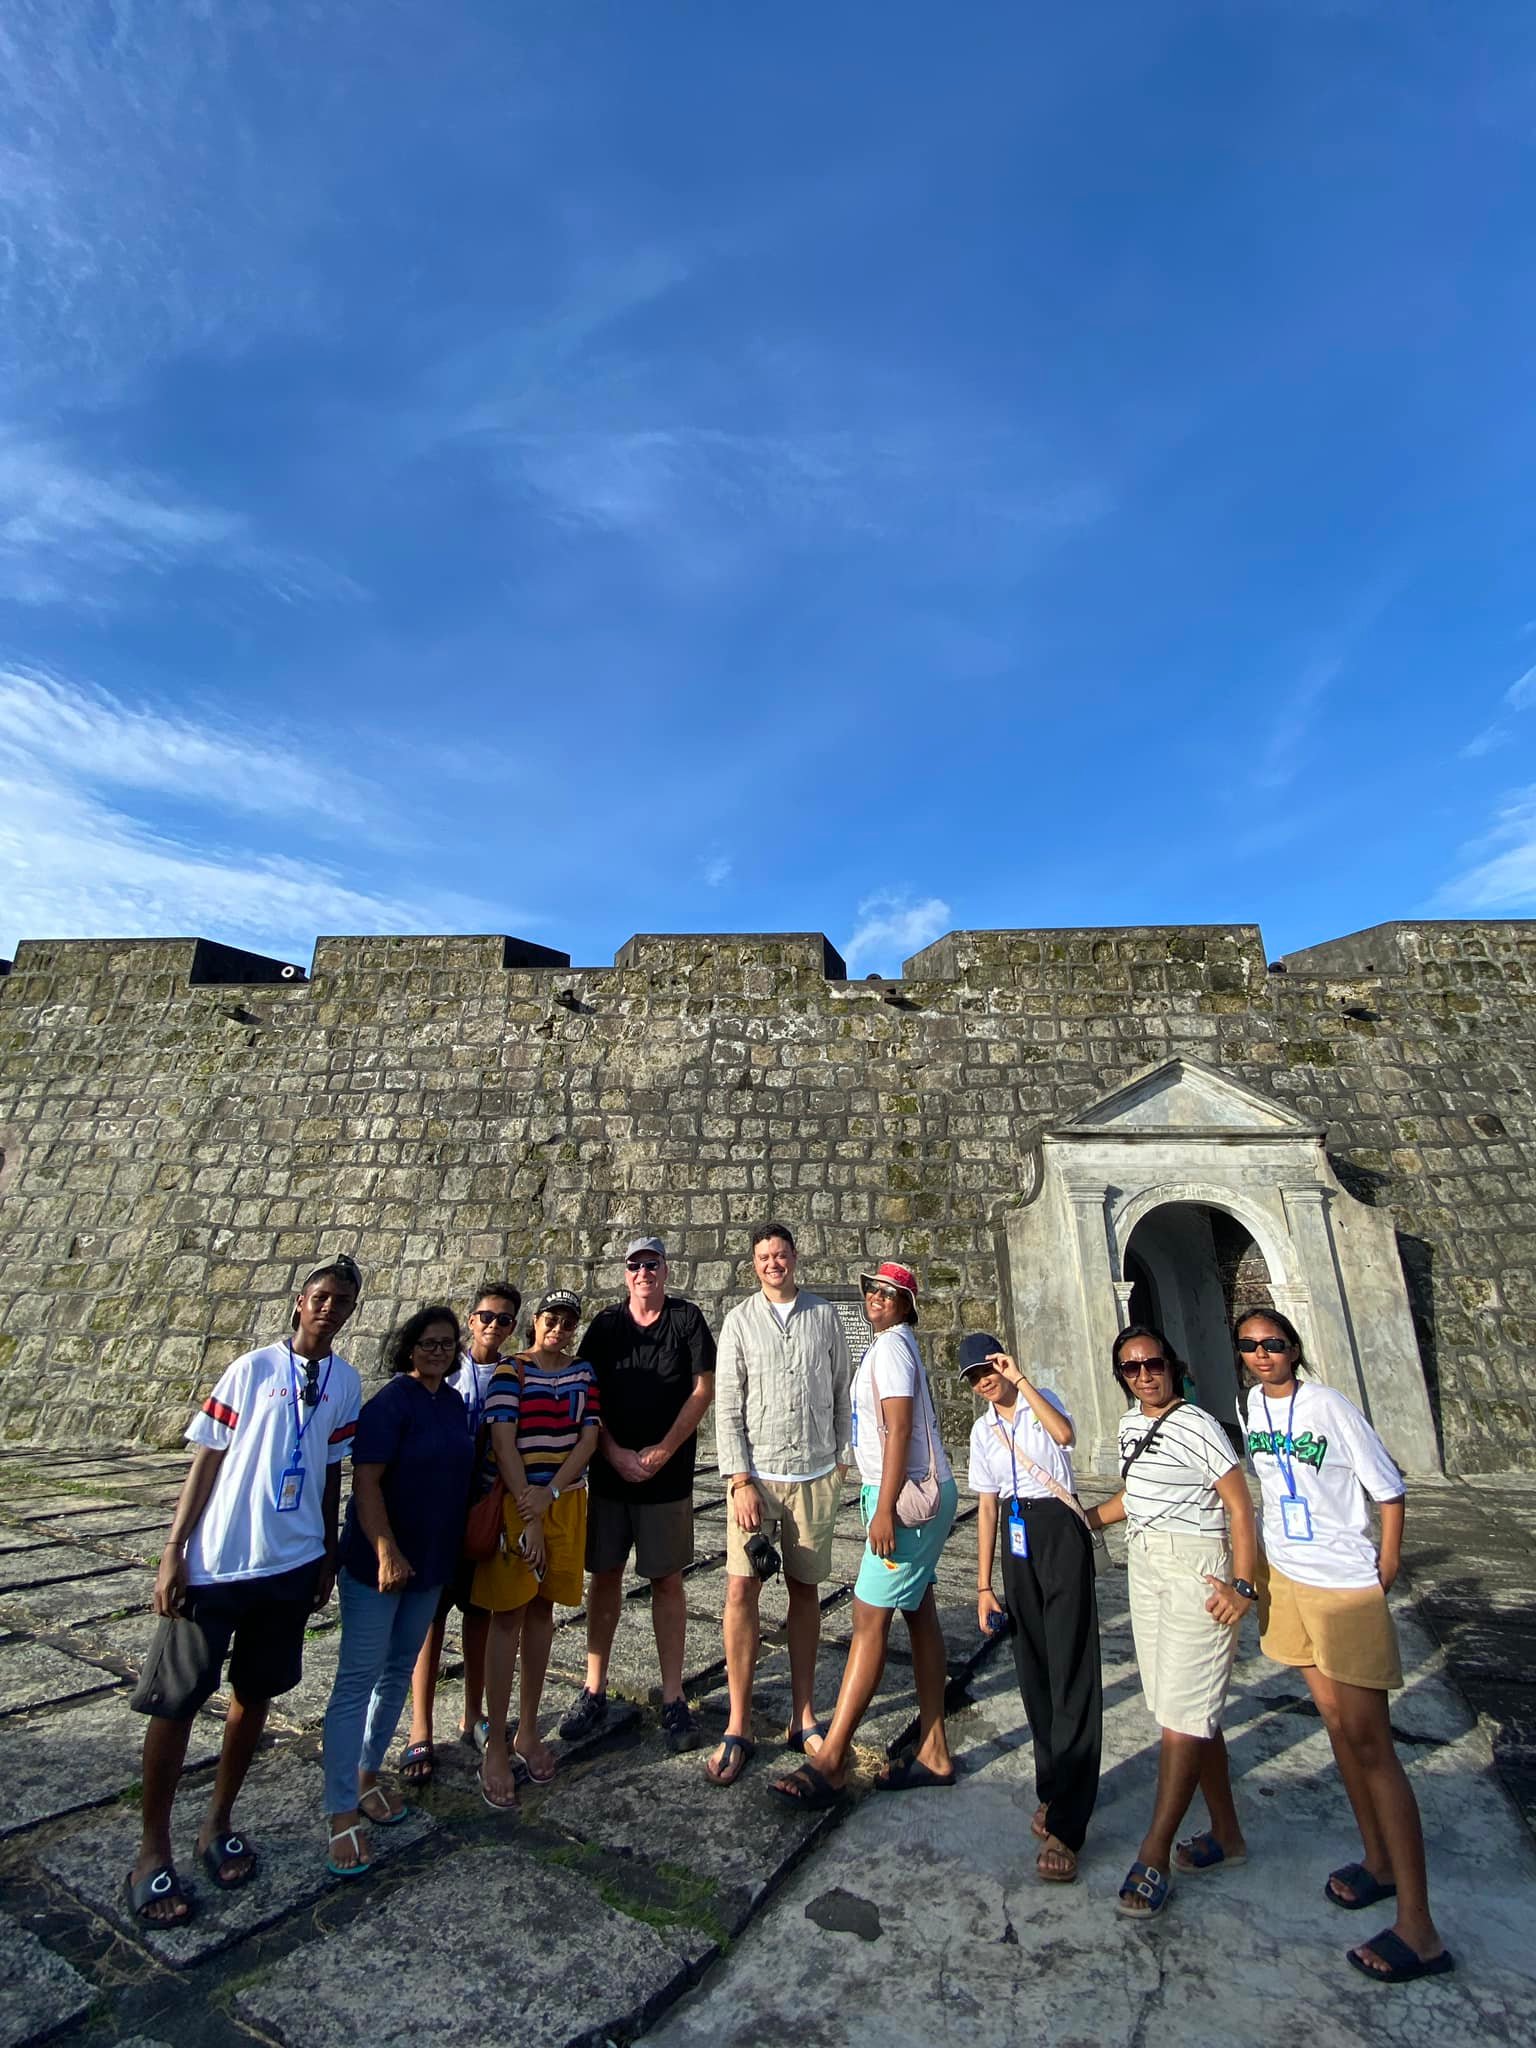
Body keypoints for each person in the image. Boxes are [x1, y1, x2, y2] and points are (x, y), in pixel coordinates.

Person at [125, 1256, 364, 1924]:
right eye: (321, 1296)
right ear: (299, 1301)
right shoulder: (252, 1369)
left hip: (291, 1565)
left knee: (254, 1695)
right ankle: (151, 1851)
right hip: (219, 1563)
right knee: (175, 1703)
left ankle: (218, 1822)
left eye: (342, 1301)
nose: (329, 1308)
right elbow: (206, 1460)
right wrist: (174, 1551)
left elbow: (330, 1472)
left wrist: (326, 1553)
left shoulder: (346, 1383)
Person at [1239, 1308, 1454, 1984]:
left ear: (1294, 1347)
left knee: (1372, 1744)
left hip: (1341, 1582)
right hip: (1288, 1577)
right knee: (1336, 1725)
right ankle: (1378, 1861)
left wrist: (1385, 1565)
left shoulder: (1329, 1405)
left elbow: (1388, 1488)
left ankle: (1420, 1928)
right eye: (1249, 1346)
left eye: (1273, 1344)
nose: (1261, 1355)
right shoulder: (1252, 1406)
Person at [1085, 1325, 1257, 1919]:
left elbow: (1240, 1506)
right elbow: (1134, 1497)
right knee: (1184, 1709)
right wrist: (1083, 1519)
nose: (1144, 1375)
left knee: (1183, 1718)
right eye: (1130, 1368)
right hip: (1146, 1564)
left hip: (1196, 1570)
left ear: (1172, 1365)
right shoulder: (1131, 1426)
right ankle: (1227, 1835)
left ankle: (1154, 1851)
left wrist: (1244, 1585)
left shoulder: (1199, 1424)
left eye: (1152, 1364)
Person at [772, 1261, 958, 1809]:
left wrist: (885, 1510)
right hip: (906, 1492)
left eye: (889, 1293)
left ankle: (830, 1761)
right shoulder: (890, 1345)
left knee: (868, 1618)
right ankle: (935, 1751)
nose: (877, 1297)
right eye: (873, 1290)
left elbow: (899, 1428)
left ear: (906, 1306)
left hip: (906, 1502)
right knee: (919, 1613)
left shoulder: (894, 1347)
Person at [321, 1305, 474, 1875]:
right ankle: (340, 1810)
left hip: (430, 1566)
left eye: (446, 1344)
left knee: (395, 1676)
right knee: (356, 1682)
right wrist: (385, 1549)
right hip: (378, 1566)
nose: (438, 1352)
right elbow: (365, 1483)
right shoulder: (389, 1404)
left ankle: (365, 1777)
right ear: (409, 1347)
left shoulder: (452, 1404)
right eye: (428, 1343)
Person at [708, 1222, 853, 1785]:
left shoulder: (825, 1316)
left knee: (805, 1590)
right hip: (758, 1481)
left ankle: (803, 1714)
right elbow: (728, 1406)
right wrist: (739, 1480)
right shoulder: (740, 1321)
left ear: (795, 1258)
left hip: (814, 1475)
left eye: (781, 1254)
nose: (774, 1263)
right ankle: (739, 1721)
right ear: (754, 1264)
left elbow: (842, 1390)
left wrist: (841, 1460)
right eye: (764, 1256)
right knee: (740, 1589)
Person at [558, 1238, 715, 1756]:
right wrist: (614, 1452)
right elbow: (587, 1394)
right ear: (625, 1275)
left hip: (667, 1479)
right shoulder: (606, 1326)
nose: (643, 1272)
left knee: (667, 1580)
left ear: (665, 1270)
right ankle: (594, 1687)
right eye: (634, 1266)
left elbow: (702, 1389)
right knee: (604, 1577)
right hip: (610, 1477)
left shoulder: (686, 1320)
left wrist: (663, 1451)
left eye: (651, 1264)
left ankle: (673, 1696)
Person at [965, 1332, 1101, 1884]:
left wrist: (1021, 1381)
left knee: (1072, 1668)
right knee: (1035, 1668)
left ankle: (1069, 1824)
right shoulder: (982, 1431)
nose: (985, 1381)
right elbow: (986, 1506)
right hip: (1016, 1539)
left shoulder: (1041, 1401)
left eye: (989, 1368)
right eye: (975, 1377)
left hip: (1059, 1527)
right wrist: (983, 1585)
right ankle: (1053, 1787)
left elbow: (1065, 1436)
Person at [474, 1289, 601, 1809]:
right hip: (517, 1502)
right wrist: (531, 1512)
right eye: (552, 1319)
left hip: (564, 1500)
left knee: (543, 1611)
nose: (559, 1328)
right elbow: (503, 1442)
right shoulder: (512, 1371)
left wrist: (550, 1494)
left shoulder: (583, 1372)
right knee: (508, 1615)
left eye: (568, 1322)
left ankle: (527, 1729)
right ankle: (496, 1745)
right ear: (535, 1321)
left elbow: (588, 1439)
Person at [404, 1280, 522, 1780]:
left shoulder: (514, 1373)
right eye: (486, 1316)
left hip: (483, 1511)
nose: (493, 1325)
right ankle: (420, 1726)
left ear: (513, 1327)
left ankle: (473, 1714)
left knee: (479, 1616)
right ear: (471, 1320)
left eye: (504, 1319)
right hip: (438, 1510)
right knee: (429, 1620)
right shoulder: (445, 1369)